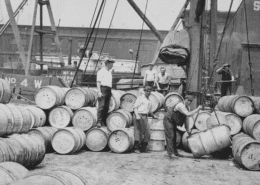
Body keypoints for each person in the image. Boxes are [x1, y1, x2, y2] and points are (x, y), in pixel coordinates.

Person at [133, 86, 159, 153]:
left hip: (145, 116)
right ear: (144, 91)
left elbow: (150, 110)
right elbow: (135, 107)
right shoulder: (140, 98)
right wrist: (137, 115)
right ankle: (136, 148)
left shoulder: (149, 100)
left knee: (147, 132)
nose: (148, 92)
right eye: (147, 91)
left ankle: (143, 148)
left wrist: (153, 116)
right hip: (138, 115)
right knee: (138, 132)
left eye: (150, 91)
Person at [96, 59, 115, 127]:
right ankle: (98, 121)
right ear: (107, 64)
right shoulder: (101, 71)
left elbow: (109, 83)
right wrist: (99, 92)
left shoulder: (109, 72)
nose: (112, 66)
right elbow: (98, 82)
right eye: (111, 64)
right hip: (103, 89)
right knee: (101, 106)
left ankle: (103, 121)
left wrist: (110, 91)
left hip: (108, 89)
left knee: (106, 107)